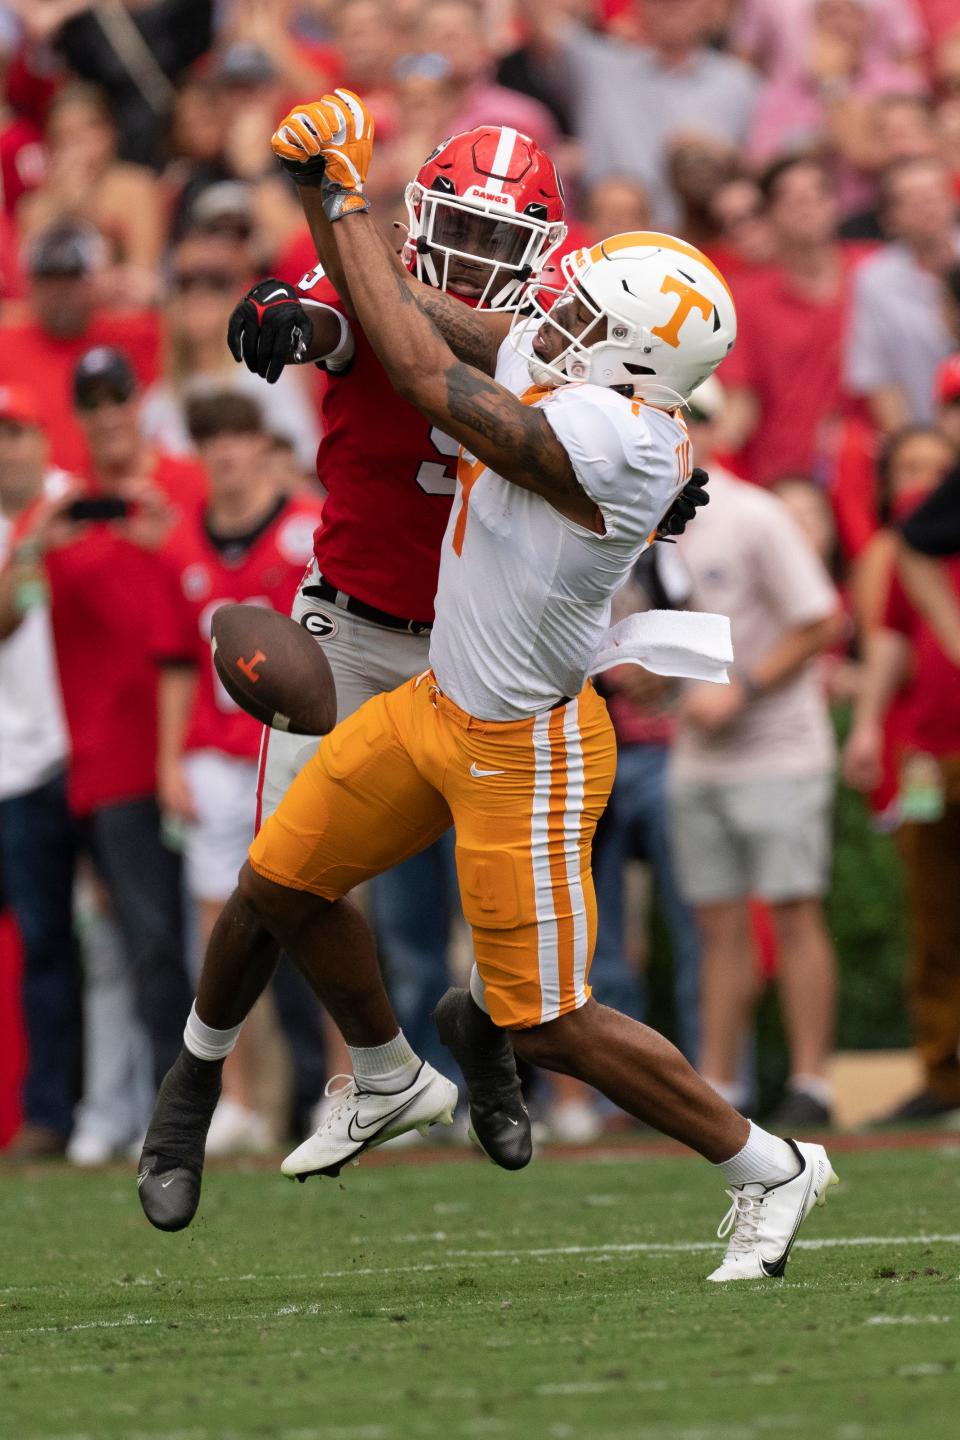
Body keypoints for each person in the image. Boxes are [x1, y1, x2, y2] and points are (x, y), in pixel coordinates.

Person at [139, 91, 838, 1285]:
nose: (547, 310)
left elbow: (420, 362)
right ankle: (395, 1068)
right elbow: (437, 321)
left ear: (626, 355)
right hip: (433, 705)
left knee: (552, 1014)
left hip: (526, 740)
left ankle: (768, 1163)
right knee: (279, 876)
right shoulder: (599, 382)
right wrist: (318, 216)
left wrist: (341, 188)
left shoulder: (606, 441)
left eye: (577, 308)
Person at [136, 118, 570, 1214]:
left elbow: (529, 363)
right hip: (356, 629)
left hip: (494, 652)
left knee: (513, 904)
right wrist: (293, 312)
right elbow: (331, 316)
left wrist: (358, 251)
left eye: (493, 238)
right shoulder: (363, 282)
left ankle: (481, 1033)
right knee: (283, 869)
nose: (471, 257)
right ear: (420, 218)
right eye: (455, 231)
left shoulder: (553, 323)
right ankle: (276, 1077)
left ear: (541, 247)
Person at [0, 346, 199, 1095]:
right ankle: (174, 1107)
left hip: (207, 747)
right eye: (93, 401)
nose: (109, 411)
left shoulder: (185, 483)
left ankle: (278, 1094)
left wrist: (172, 534)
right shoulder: (64, 514)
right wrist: (28, 549)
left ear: (139, 400)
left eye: (120, 394)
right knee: (146, 947)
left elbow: (228, 594)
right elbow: (9, 621)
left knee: (237, 935)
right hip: (110, 765)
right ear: (77, 417)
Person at [670, 384, 844, 1128]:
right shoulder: (643, 526)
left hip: (778, 747)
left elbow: (820, 620)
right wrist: (644, 683)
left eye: (697, 417)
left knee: (793, 910)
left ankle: (813, 1081)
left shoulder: (754, 514)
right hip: (697, 751)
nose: (687, 430)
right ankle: (721, 1084)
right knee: (716, 925)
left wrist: (740, 687)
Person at [155, 390, 324, 1154]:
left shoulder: (308, 528)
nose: (225, 453)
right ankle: (238, 1100)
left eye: (237, 437)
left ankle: (352, 1086)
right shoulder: (181, 544)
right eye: (210, 439)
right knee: (217, 932)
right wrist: (168, 757)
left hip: (295, 746)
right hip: (214, 756)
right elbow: (175, 663)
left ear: (264, 444)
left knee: (327, 909)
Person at [843, 449, 960, 1123]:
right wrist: (865, 727)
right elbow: (891, 637)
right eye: (907, 466)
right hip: (927, 753)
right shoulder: (917, 526)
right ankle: (943, 1075)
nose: (919, 478)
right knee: (930, 905)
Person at [0, 387, 75, 1158]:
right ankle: (50, 1113)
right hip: (18, 762)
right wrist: (29, 546)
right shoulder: (35, 524)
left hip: (92, 751)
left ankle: (125, 1106)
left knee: (139, 944)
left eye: (17, 432)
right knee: (46, 944)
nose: (7, 448)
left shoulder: (79, 502)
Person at [521, 0, 758, 228]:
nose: (672, 4)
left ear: (711, 5)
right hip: (608, 243)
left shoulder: (738, 85)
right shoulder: (599, 68)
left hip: (704, 247)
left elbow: (753, 178)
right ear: (637, 5)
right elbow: (539, 17)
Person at [719, 155, 871, 488]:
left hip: (873, 469)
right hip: (787, 480)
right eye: (791, 199)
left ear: (835, 203)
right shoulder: (745, 298)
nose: (807, 208)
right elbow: (740, 403)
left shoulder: (875, 272)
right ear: (770, 215)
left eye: (817, 196)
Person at [139, 229, 319, 474]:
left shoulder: (266, 377)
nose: (198, 298)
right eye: (185, 288)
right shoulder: (159, 401)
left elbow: (302, 459)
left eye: (215, 287)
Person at [0, 220, 160, 475]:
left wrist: (157, 295)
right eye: (48, 279)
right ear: (29, 284)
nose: (60, 292)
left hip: (118, 489)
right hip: (25, 497)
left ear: (95, 280)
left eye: (71, 278)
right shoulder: (5, 342)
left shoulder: (135, 334)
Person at [844, 156, 960, 431]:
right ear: (889, 218)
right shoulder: (874, 281)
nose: (927, 208)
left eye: (934, 194)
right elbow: (878, 377)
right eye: (912, 200)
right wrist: (912, 446)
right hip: (926, 432)